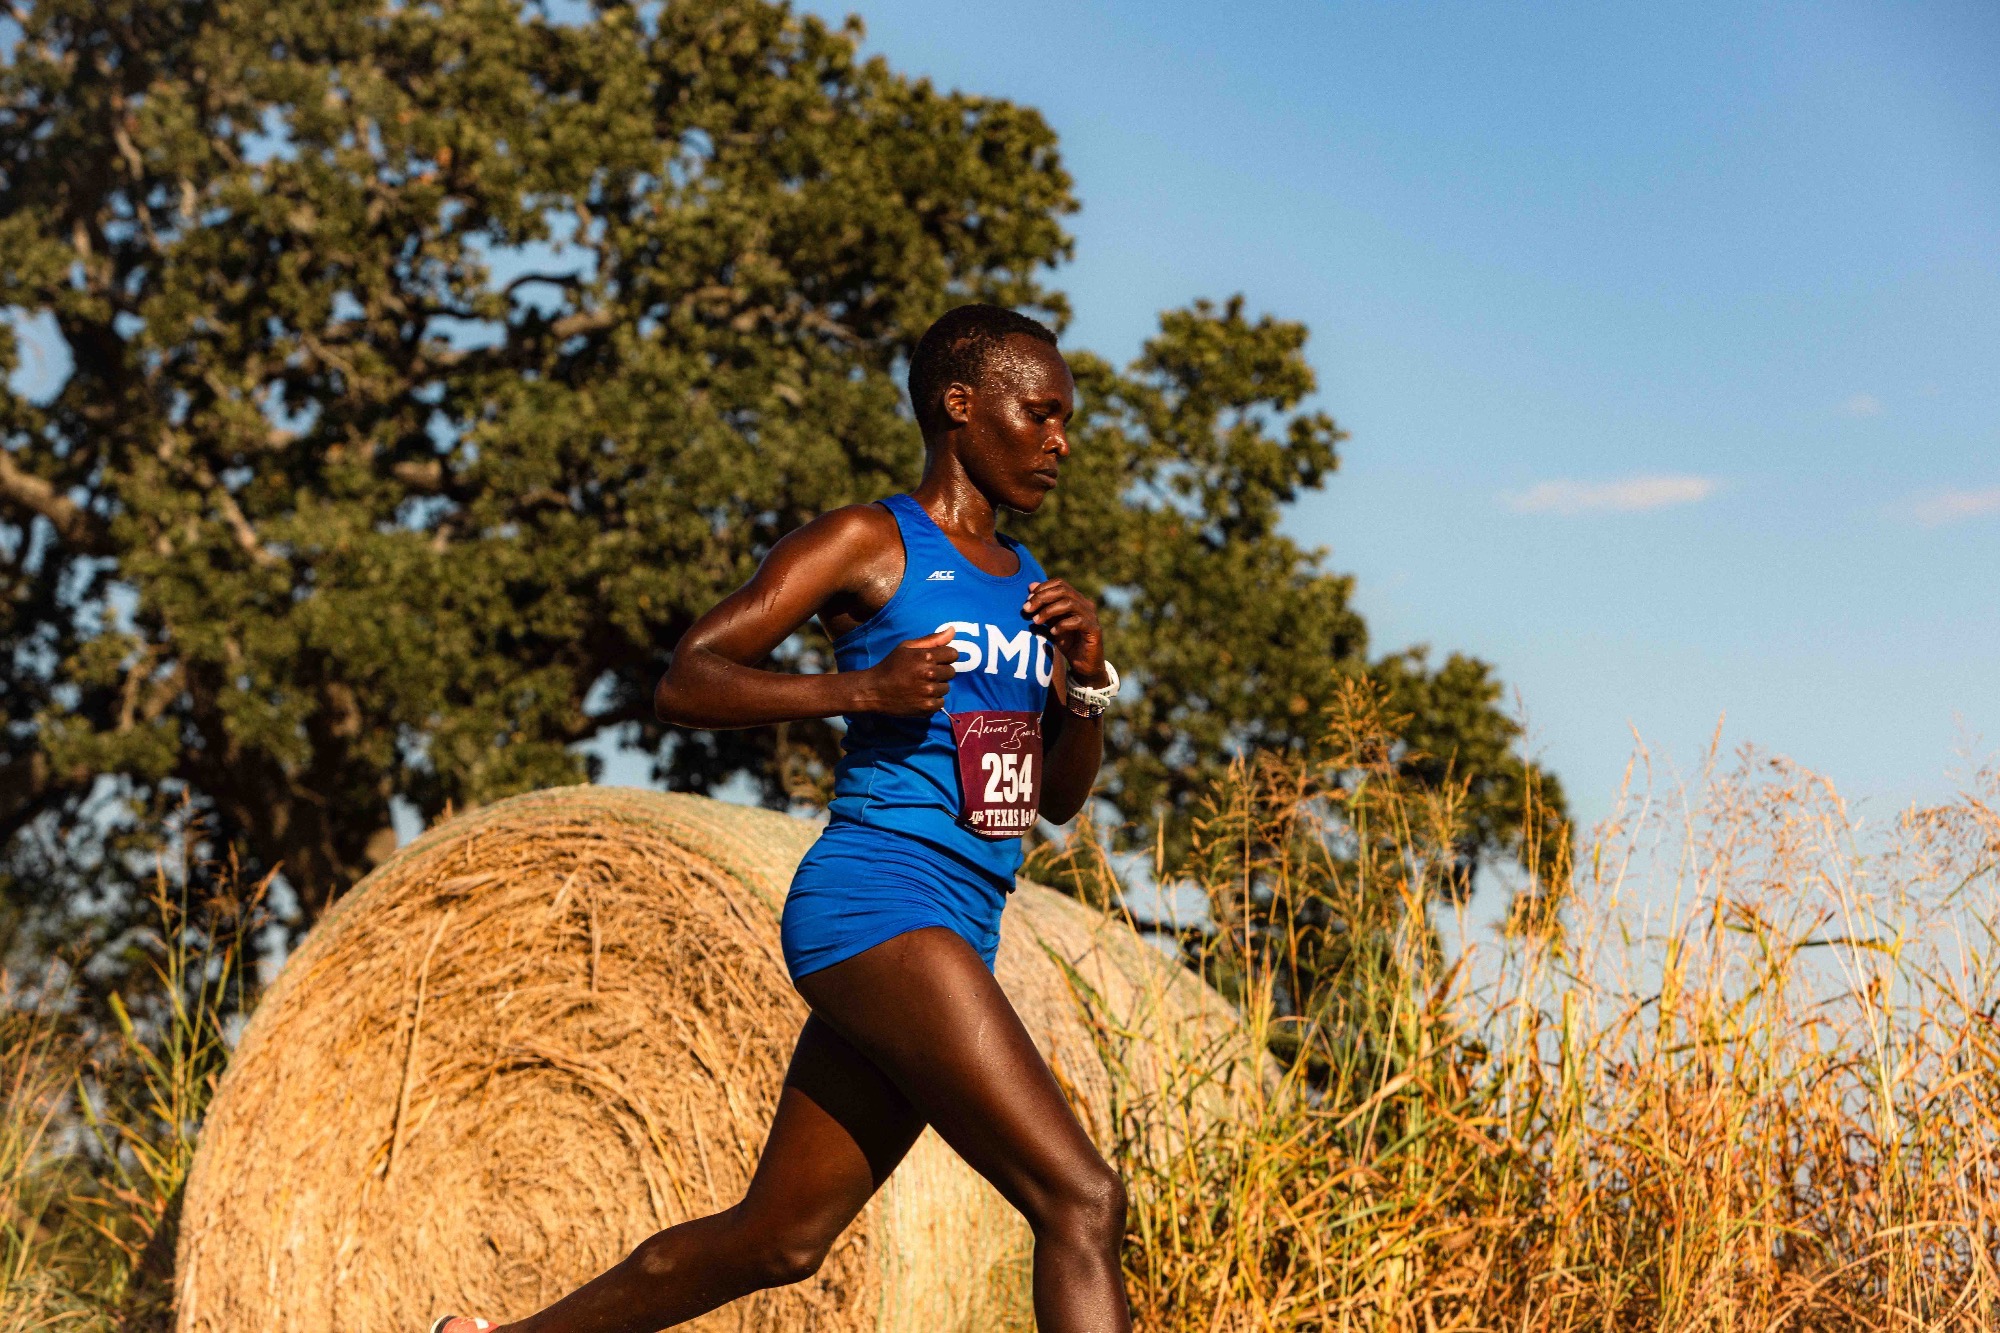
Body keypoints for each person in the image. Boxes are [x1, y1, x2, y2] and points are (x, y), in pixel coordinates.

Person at [430, 304, 1132, 1333]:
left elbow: (1053, 801)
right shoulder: (868, 539)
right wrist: (861, 692)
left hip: (964, 914)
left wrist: (1085, 684)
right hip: (878, 898)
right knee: (1081, 1197)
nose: (1060, 441)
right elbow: (688, 678)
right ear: (959, 406)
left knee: (781, 1240)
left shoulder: (1030, 586)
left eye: (1066, 421)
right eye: (1041, 415)